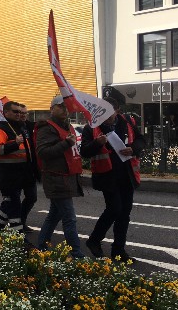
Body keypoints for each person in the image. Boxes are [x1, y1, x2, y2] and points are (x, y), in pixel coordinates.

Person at [81, 97, 145, 262]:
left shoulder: (127, 122)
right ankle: (94, 240)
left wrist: (134, 148)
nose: (108, 117)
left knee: (124, 213)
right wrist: (97, 143)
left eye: (111, 113)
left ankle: (119, 250)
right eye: (104, 112)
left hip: (127, 174)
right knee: (114, 209)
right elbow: (85, 152)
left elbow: (141, 140)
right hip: (107, 176)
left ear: (117, 111)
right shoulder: (92, 127)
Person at [35, 96, 85, 259]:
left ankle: (42, 245)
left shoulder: (68, 126)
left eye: (66, 106)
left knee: (54, 215)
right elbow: (43, 152)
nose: (64, 109)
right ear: (51, 109)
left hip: (66, 178)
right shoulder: (46, 127)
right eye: (60, 106)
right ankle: (76, 254)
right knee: (69, 219)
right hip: (56, 179)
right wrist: (66, 144)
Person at [0, 101, 36, 234]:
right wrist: (14, 144)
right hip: (9, 176)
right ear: (6, 113)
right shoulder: (1, 129)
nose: (19, 114)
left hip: (23, 174)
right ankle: (19, 239)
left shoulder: (21, 127)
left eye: (21, 112)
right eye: (15, 112)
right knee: (14, 207)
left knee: (8, 205)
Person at [19, 103, 39, 233]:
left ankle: (21, 221)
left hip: (29, 169)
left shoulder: (29, 126)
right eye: (21, 113)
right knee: (10, 201)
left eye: (25, 113)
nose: (23, 115)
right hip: (15, 170)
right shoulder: (10, 127)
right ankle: (13, 225)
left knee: (32, 197)